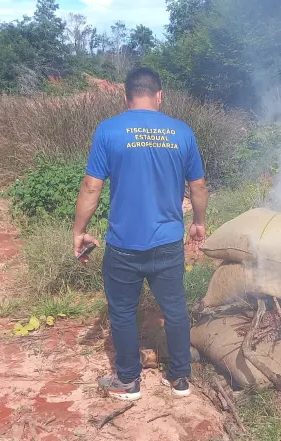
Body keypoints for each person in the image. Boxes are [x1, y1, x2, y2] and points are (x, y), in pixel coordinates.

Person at [73, 67, 208, 401]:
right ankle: (180, 380)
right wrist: (199, 222)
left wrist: (79, 230)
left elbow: (92, 186)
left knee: (121, 312)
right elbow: (199, 185)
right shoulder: (182, 132)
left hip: (123, 245)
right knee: (175, 310)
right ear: (160, 96)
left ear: (126, 96)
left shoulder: (109, 130)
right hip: (167, 243)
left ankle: (129, 381)